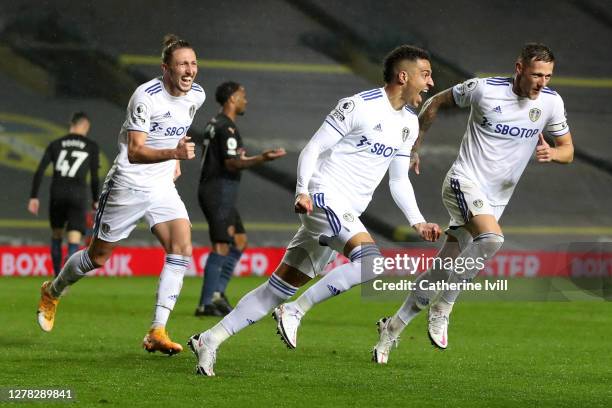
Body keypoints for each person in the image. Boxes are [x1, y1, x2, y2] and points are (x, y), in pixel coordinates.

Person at [187, 45, 441, 376]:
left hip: (343, 211)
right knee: (371, 263)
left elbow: (398, 180)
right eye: (426, 74)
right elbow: (314, 148)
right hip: (323, 196)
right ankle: (296, 311)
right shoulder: (358, 106)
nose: (431, 82)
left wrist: (418, 221)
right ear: (403, 76)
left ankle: (209, 339)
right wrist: (302, 190)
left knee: (276, 290)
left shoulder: (408, 122)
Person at [371, 43, 574, 364]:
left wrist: (554, 154)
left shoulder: (551, 103)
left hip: (496, 198)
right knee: (492, 239)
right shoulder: (483, 90)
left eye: (548, 76)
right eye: (536, 75)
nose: (542, 83)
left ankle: (391, 329)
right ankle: (444, 305)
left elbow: (568, 149)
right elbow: (436, 101)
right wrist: (414, 145)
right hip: (463, 182)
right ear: (519, 69)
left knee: (442, 268)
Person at [36, 34, 206, 356]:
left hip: (161, 186)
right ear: (165, 68)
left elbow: (179, 123)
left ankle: (157, 329)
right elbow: (135, 151)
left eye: (193, 63)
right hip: (128, 184)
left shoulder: (196, 94)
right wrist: (174, 152)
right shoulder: (145, 97)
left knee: (181, 246)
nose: (190, 70)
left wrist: (173, 161)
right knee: (96, 257)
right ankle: (53, 290)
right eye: (182, 64)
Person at [193, 81, 286, 317]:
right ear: (232, 99)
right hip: (218, 190)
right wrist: (262, 158)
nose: (246, 100)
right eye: (242, 96)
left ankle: (217, 293)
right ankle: (206, 302)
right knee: (222, 245)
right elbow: (231, 163)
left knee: (240, 241)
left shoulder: (216, 124)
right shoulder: (227, 128)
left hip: (219, 189)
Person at [28, 112, 100, 276]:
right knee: (74, 238)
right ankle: (64, 281)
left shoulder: (56, 144)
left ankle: (55, 276)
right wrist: (96, 199)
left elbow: (40, 170)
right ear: (85, 126)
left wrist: (33, 196)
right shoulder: (91, 146)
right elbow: (94, 176)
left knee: (57, 234)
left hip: (58, 193)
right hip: (78, 194)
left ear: (71, 124)